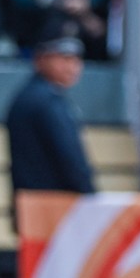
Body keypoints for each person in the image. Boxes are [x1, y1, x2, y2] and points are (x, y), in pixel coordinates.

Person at [6, 32, 95, 196]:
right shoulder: (47, 101)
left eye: (76, 60)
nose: (72, 67)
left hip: (32, 200)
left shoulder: (31, 94)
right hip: (52, 202)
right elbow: (70, 159)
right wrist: (89, 195)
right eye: (64, 59)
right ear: (40, 59)